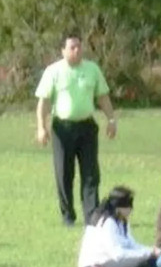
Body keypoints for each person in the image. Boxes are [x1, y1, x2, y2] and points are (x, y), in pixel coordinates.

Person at [34, 33, 117, 227]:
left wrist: (111, 119)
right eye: (72, 47)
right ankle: (68, 216)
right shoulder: (53, 71)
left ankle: (92, 216)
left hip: (87, 127)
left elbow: (103, 97)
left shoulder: (92, 70)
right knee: (64, 173)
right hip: (62, 129)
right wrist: (41, 127)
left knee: (90, 173)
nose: (76, 50)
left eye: (79, 46)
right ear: (63, 50)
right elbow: (44, 102)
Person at [77, 186, 161, 267]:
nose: (131, 209)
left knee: (152, 261)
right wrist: (147, 253)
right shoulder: (107, 222)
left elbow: (131, 245)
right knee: (143, 264)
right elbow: (117, 254)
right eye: (129, 206)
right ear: (119, 208)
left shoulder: (122, 222)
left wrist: (152, 251)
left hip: (111, 261)